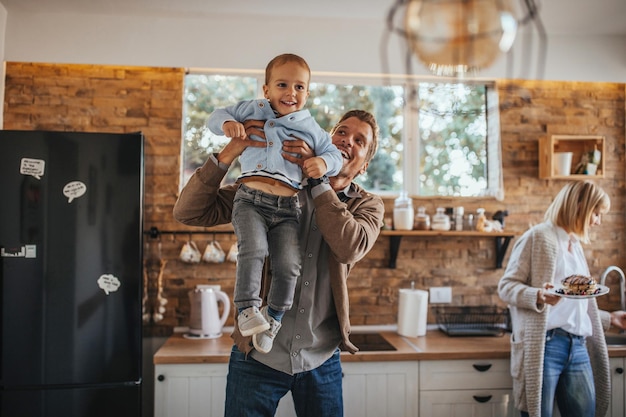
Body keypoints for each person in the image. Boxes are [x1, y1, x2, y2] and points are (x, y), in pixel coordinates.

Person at [173, 109, 383, 416]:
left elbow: (349, 246)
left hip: (320, 360)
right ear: (326, 138)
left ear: (364, 165)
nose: (346, 140)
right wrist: (230, 152)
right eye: (341, 132)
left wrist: (319, 179)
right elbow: (189, 212)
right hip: (256, 358)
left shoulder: (368, 205)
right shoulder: (276, 182)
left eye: (359, 140)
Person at [206, 53, 343, 353]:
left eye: (299, 87)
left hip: (286, 209)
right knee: (254, 250)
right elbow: (214, 117)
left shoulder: (311, 127)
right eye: (282, 85)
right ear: (266, 89)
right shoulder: (251, 111)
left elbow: (336, 156)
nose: (290, 93)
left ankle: (274, 316)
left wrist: (322, 161)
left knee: (289, 266)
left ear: (307, 92)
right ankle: (246, 310)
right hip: (250, 201)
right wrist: (228, 123)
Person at [498, 180, 626, 417]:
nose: (598, 221)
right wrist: (537, 295)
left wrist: (612, 319)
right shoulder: (537, 237)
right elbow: (505, 287)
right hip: (546, 345)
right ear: (579, 207)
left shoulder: (574, 245)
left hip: (578, 346)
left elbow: (573, 306)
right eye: (596, 213)